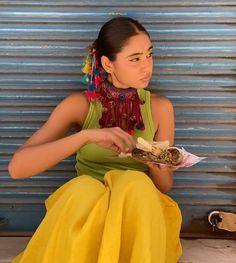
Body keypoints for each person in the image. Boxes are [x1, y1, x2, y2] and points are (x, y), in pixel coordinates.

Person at [8, 17, 182, 263]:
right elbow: (17, 168)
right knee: (84, 189)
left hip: (135, 219)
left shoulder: (161, 108)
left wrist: (158, 167)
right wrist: (86, 136)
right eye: (135, 59)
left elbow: (164, 187)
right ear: (108, 64)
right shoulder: (79, 105)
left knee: (136, 184)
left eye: (149, 55)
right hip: (88, 215)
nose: (147, 66)